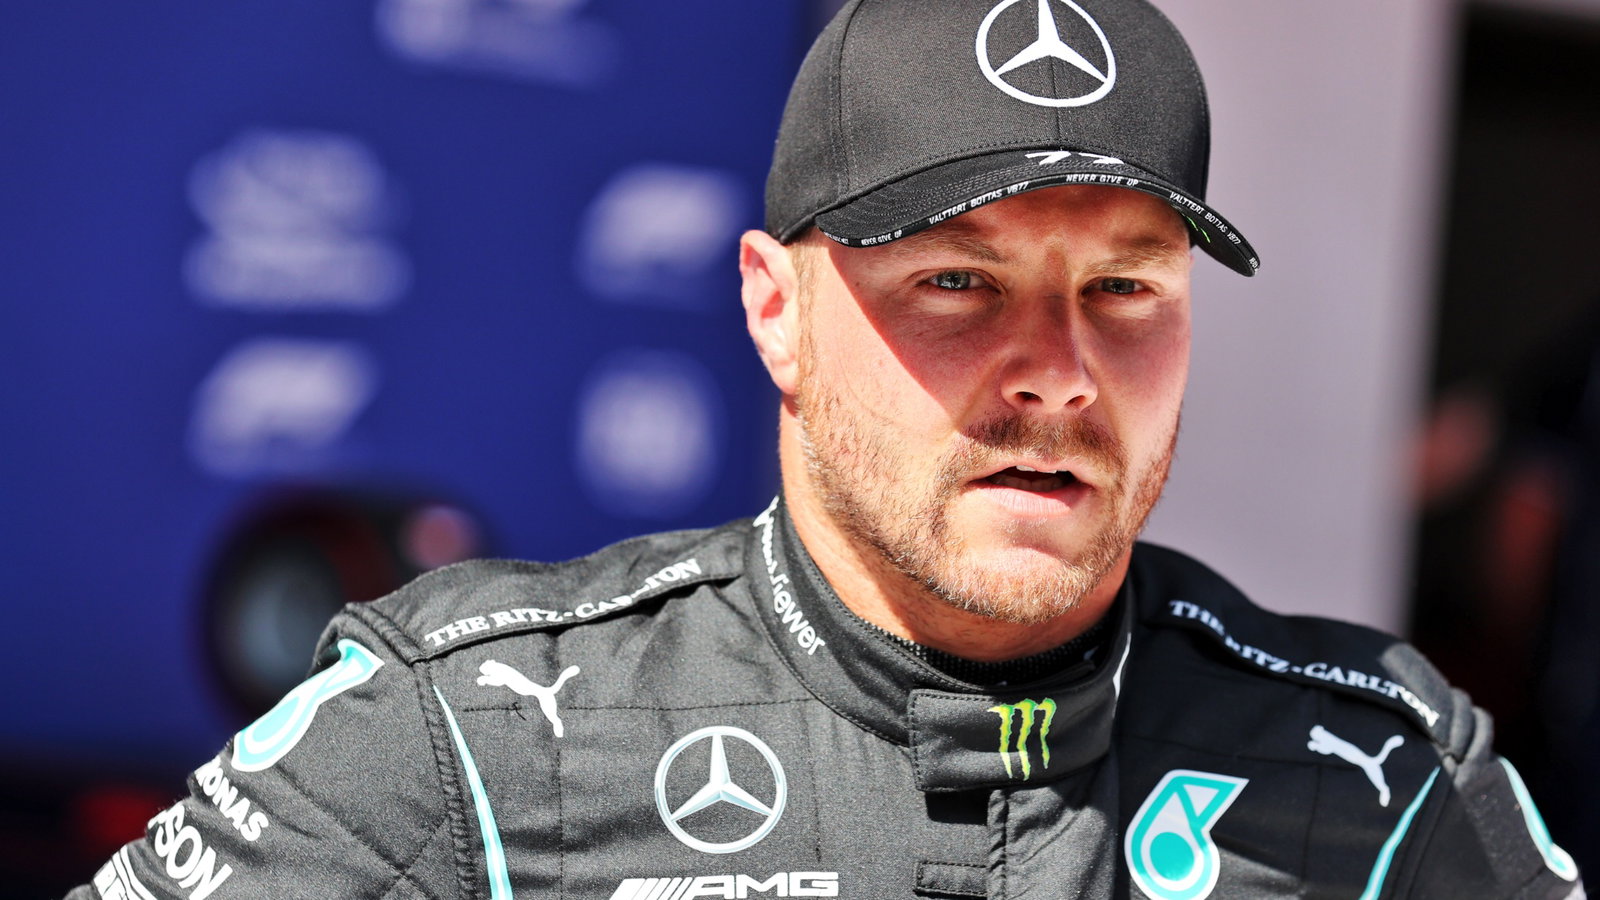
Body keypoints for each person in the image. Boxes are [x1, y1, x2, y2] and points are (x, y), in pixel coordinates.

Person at [70, 0, 1585, 898]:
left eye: (1125, 290)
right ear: (776, 312)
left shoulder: (1383, 770)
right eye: (960, 283)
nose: (1060, 374)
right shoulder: (478, 735)